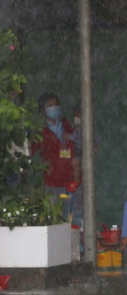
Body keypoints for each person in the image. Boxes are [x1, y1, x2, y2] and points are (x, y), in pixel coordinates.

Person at [33, 92, 80, 221]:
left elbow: (78, 145)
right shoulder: (41, 131)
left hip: (71, 180)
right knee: (54, 217)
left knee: (72, 218)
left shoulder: (67, 125)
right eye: (50, 105)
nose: (54, 108)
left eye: (56, 105)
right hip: (52, 181)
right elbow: (30, 152)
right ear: (43, 110)